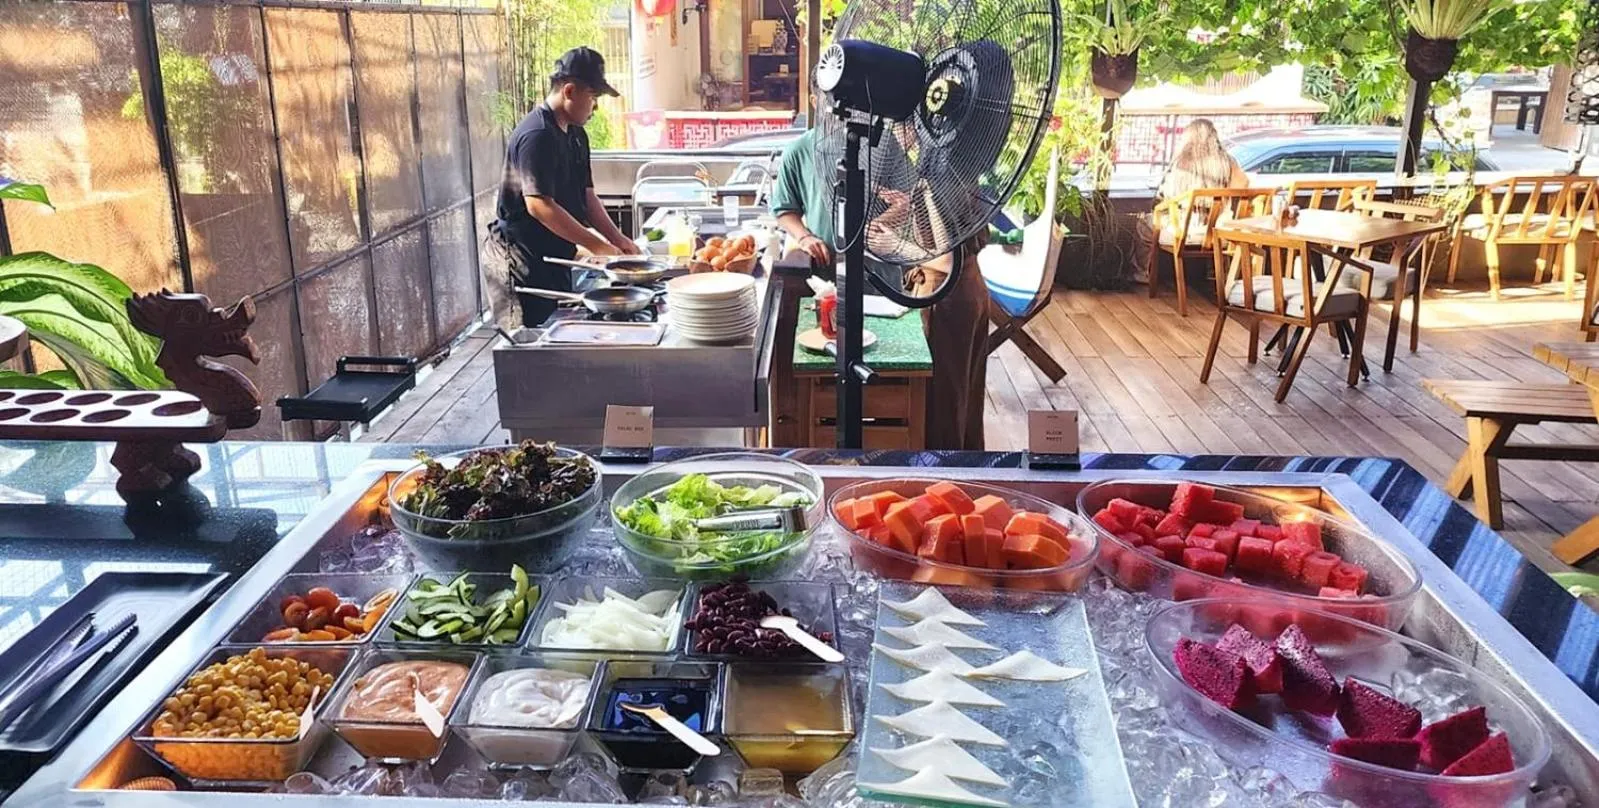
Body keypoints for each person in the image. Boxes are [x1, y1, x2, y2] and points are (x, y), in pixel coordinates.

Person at [770, 109, 990, 451]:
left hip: (950, 294)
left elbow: (947, 258)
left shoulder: (945, 173)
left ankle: (943, 467)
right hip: (943, 290)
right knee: (955, 399)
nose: (891, 140)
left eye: (896, 127)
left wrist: (893, 243)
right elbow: (929, 232)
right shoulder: (937, 168)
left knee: (947, 401)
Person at [485, 47, 636, 330]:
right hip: (520, 260)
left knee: (553, 335)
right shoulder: (538, 134)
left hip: (552, 254)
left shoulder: (577, 134)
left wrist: (619, 241)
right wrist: (597, 246)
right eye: (593, 97)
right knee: (526, 345)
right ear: (569, 91)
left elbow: (587, 196)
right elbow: (540, 206)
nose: (595, 107)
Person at [1158, 118, 1248, 201]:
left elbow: (1167, 193)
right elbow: (1243, 184)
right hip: (1220, 215)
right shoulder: (1226, 162)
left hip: (1184, 215)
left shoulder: (1180, 162)